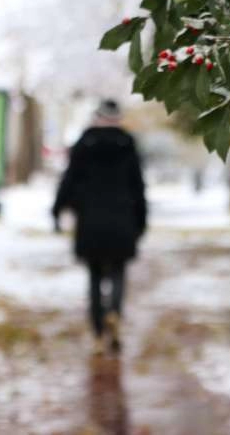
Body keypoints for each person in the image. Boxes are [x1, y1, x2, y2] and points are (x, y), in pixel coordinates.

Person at [52, 99, 147, 354]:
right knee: (118, 271)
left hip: (90, 219)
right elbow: (138, 186)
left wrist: (57, 209)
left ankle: (97, 332)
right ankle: (114, 312)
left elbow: (69, 180)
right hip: (122, 218)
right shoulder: (127, 143)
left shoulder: (84, 143)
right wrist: (141, 221)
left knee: (94, 275)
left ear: (97, 117)